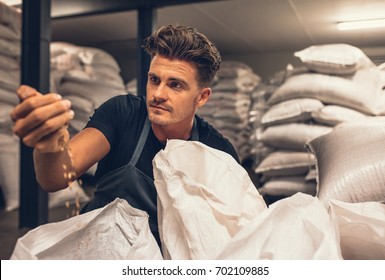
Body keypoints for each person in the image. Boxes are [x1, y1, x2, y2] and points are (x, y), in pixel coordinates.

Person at [10, 24, 240, 246]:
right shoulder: (124, 114)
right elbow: (57, 177)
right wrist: (50, 147)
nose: (158, 94)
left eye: (175, 85)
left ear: (201, 97)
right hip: (101, 247)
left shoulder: (219, 152)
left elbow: (232, 229)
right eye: (154, 80)